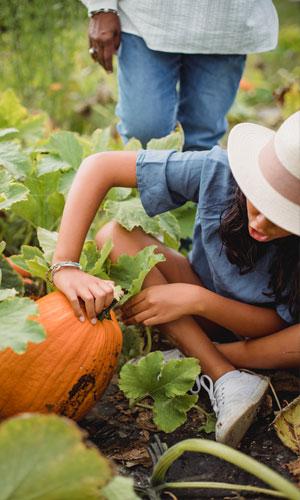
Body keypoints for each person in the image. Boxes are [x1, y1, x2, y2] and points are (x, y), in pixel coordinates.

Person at [51, 111, 300, 447]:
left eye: (282, 218)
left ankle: (209, 358)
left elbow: (272, 324)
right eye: (260, 202)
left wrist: (196, 300)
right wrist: (65, 265)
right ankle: (223, 375)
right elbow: (100, 167)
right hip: (202, 306)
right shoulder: (218, 172)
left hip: (268, 340)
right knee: (115, 235)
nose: (262, 223)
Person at [80, 0, 279, 151]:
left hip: (226, 22)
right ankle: (149, 200)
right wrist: (101, 6)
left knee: (202, 138)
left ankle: (194, 203)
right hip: (144, 17)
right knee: (145, 133)